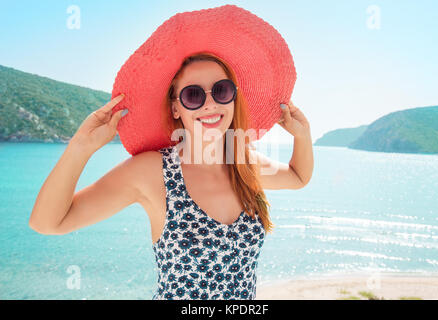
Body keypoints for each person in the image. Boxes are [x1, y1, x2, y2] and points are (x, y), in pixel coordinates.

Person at [29, 5, 314, 300]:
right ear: (176, 107)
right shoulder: (152, 172)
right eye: (193, 95)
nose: (210, 104)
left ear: (233, 98)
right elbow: (48, 222)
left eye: (222, 90)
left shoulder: (242, 163)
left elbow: (298, 176)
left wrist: (302, 136)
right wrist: (80, 147)